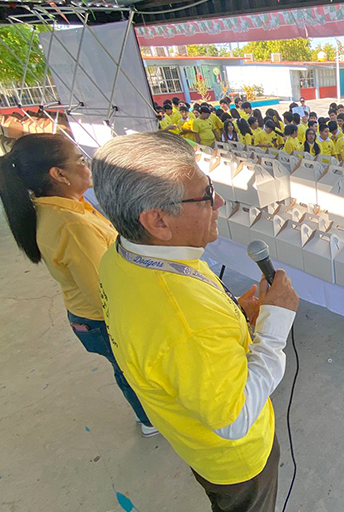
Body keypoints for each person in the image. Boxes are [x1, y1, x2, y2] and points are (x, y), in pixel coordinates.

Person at [92, 131, 299, 512]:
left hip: (191, 430)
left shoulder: (121, 255)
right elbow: (234, 418)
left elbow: (174, 343)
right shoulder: (184, 320)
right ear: (157, 221)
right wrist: (274, 325)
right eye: (206, 195)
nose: (219, 201)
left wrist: (233, 315)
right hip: (236, 461)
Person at [0, 134, 156, 437]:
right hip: (102, 321)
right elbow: (103, 293)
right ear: (58, 174)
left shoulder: (65, 208)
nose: (88, 165)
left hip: (93, 317)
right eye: (80, 160)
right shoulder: (71, 224)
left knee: (126, 368)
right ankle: (150, 419)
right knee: (130, 370)